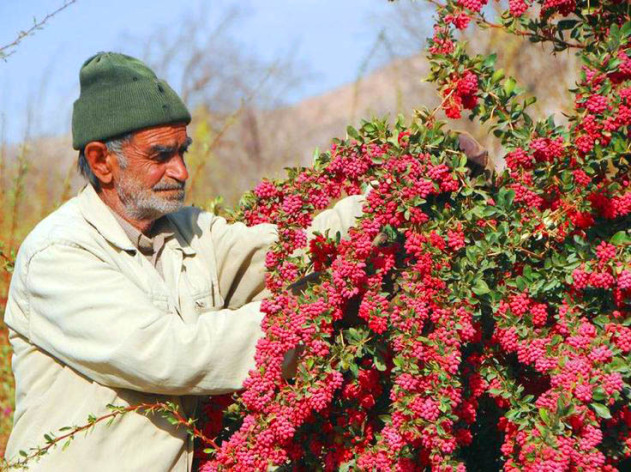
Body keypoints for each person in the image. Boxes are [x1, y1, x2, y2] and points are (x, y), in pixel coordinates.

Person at [2, 52, 365, 472]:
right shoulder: (58, 253)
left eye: (183, 151)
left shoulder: (188, 229)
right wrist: (310, 318)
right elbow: (169, 353)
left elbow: (289, 252)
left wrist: (393, 194)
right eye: (160, 156)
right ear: (102, 161)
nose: (181, 171)